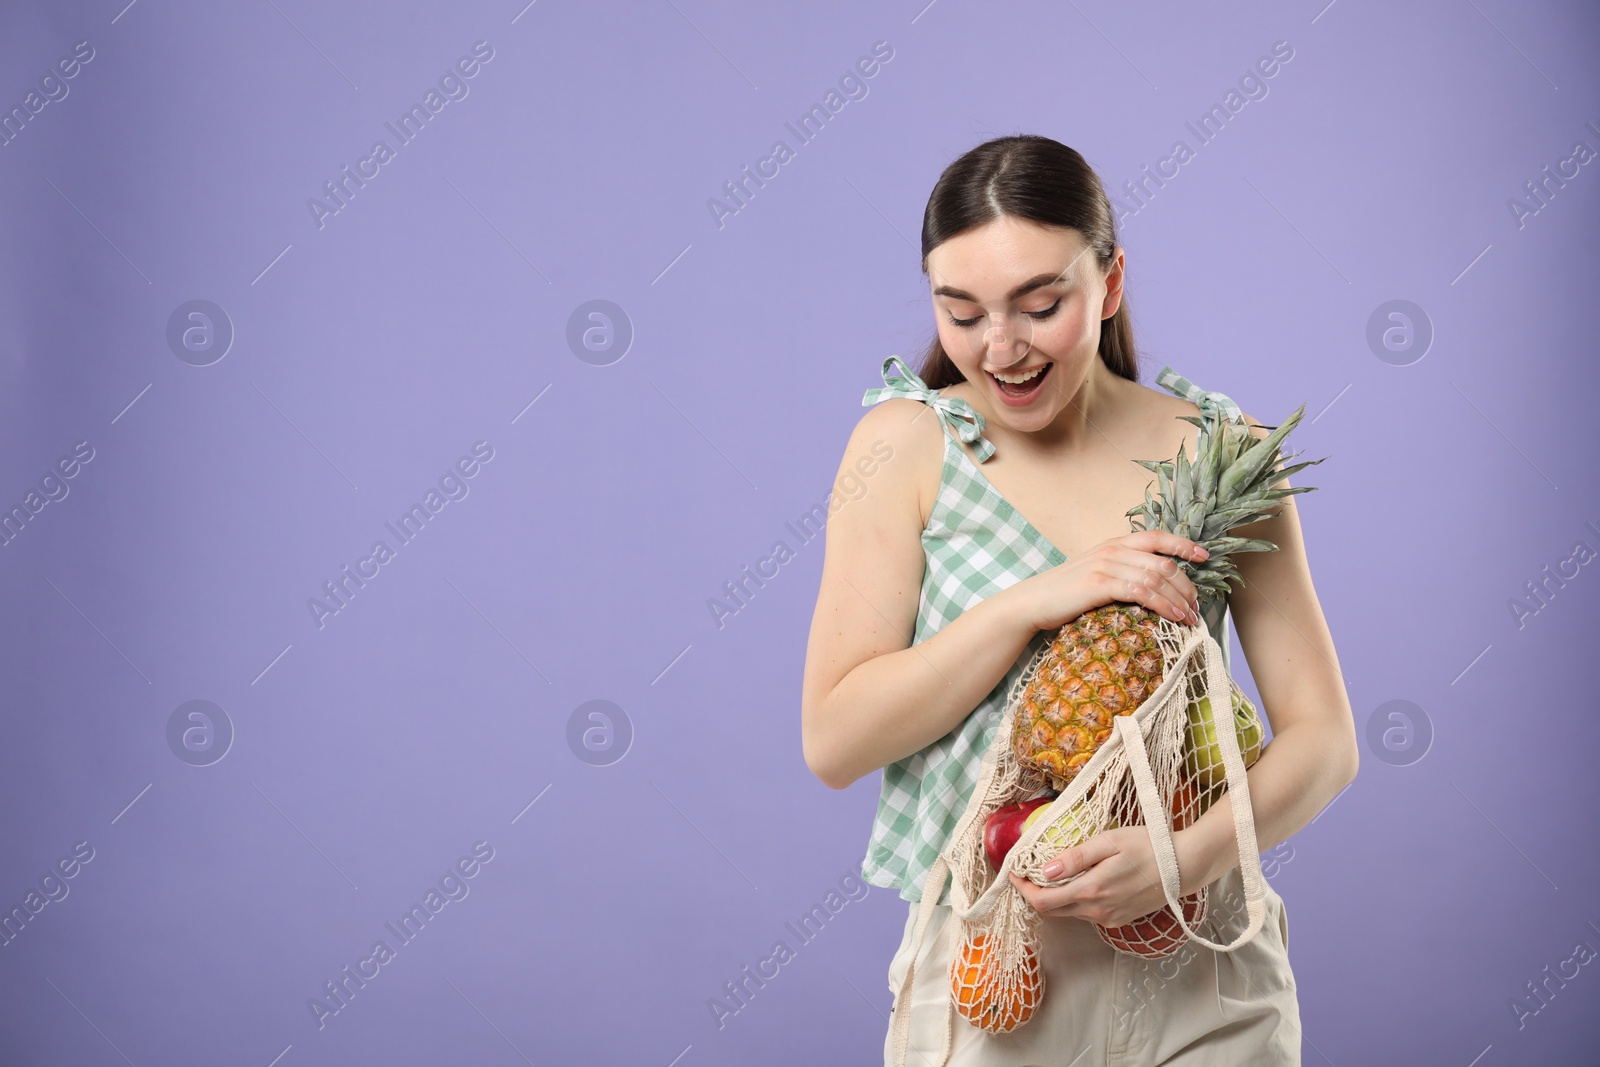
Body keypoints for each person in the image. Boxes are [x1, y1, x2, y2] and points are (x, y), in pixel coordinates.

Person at [798, 134, 1358, 1066]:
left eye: (1040, 304)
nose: (1001, 348)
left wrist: (1184, 859)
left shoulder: (1223, 454)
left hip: (1204, 955)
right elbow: (835, 739)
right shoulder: (904, 447)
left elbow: (1326, 740)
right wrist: (1037, 600)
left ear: (1110, 281)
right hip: (999, 965)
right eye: (961, 312)